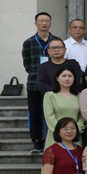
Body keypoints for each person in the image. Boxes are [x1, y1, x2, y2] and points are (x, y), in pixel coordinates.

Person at [22, 12, 59, 153]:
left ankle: (54, 139)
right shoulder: (28, 42)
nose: (44, 23)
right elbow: (27, 64)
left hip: (53, 84)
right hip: (34, 83)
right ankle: (37, 141)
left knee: (54, 112)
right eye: (41, 21)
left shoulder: (56, 41)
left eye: (47, 21)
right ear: (36, 23)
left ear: (50, 23)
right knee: (35, 112)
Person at [43, 67, 85, 150]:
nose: (67, 79)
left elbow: (82, 115)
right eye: (64, 76)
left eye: (70, 76)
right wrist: (62, 131)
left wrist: (75, 129)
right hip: (56, 135)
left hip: (74, 135)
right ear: (57, 78)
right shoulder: (50, 95)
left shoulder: (79, 95)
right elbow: (50, 116)